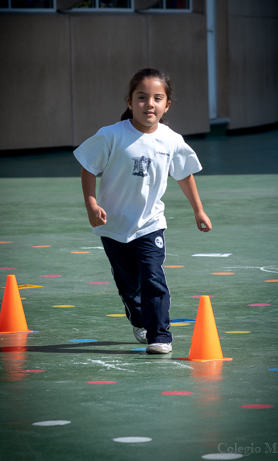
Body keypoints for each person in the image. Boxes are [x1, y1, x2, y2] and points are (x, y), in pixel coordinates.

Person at [73, 68, 212, 354]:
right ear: (129, 101)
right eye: (142, 97)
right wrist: (91, 202)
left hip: (150, 224)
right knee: (129, 286)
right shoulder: (111, 135)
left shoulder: (171, 140)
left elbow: (184, 174)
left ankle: (160, 335)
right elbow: (88, 166)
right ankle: (139, 319)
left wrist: (198, 210)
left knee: (152, 277)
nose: (149, 104)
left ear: (166, 105)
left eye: (157, 98)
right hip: (113, 226)